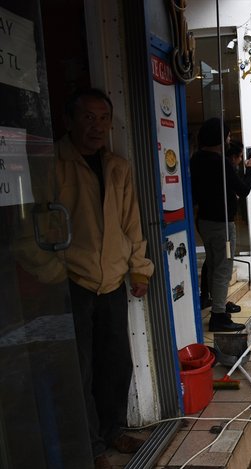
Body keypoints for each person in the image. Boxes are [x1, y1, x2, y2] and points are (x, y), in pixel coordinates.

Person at [55, 88, 154, 469]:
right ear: (70, 121)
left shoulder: (118, 167)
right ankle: (92, 447)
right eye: (88, 118)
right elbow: (35, 223)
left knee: (116, 363)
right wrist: (50, 273)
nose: (97, 127)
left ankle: (112, 430)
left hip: (112, 281)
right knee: (79, 368)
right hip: (70, 282)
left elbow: (131, 223)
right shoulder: (53, 163)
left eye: (103, 118)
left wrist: (139, 268)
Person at [190, 119, 251, 332]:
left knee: (212, 263)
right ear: (219, 138)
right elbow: (243, 189)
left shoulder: (196, 159)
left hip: (204, 221)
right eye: (227, 137)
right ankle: (219, 315)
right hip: (221, 223)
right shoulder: (220, 163)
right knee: (223, 268)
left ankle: (216, 302)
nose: (230, 141)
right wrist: (250, 170)